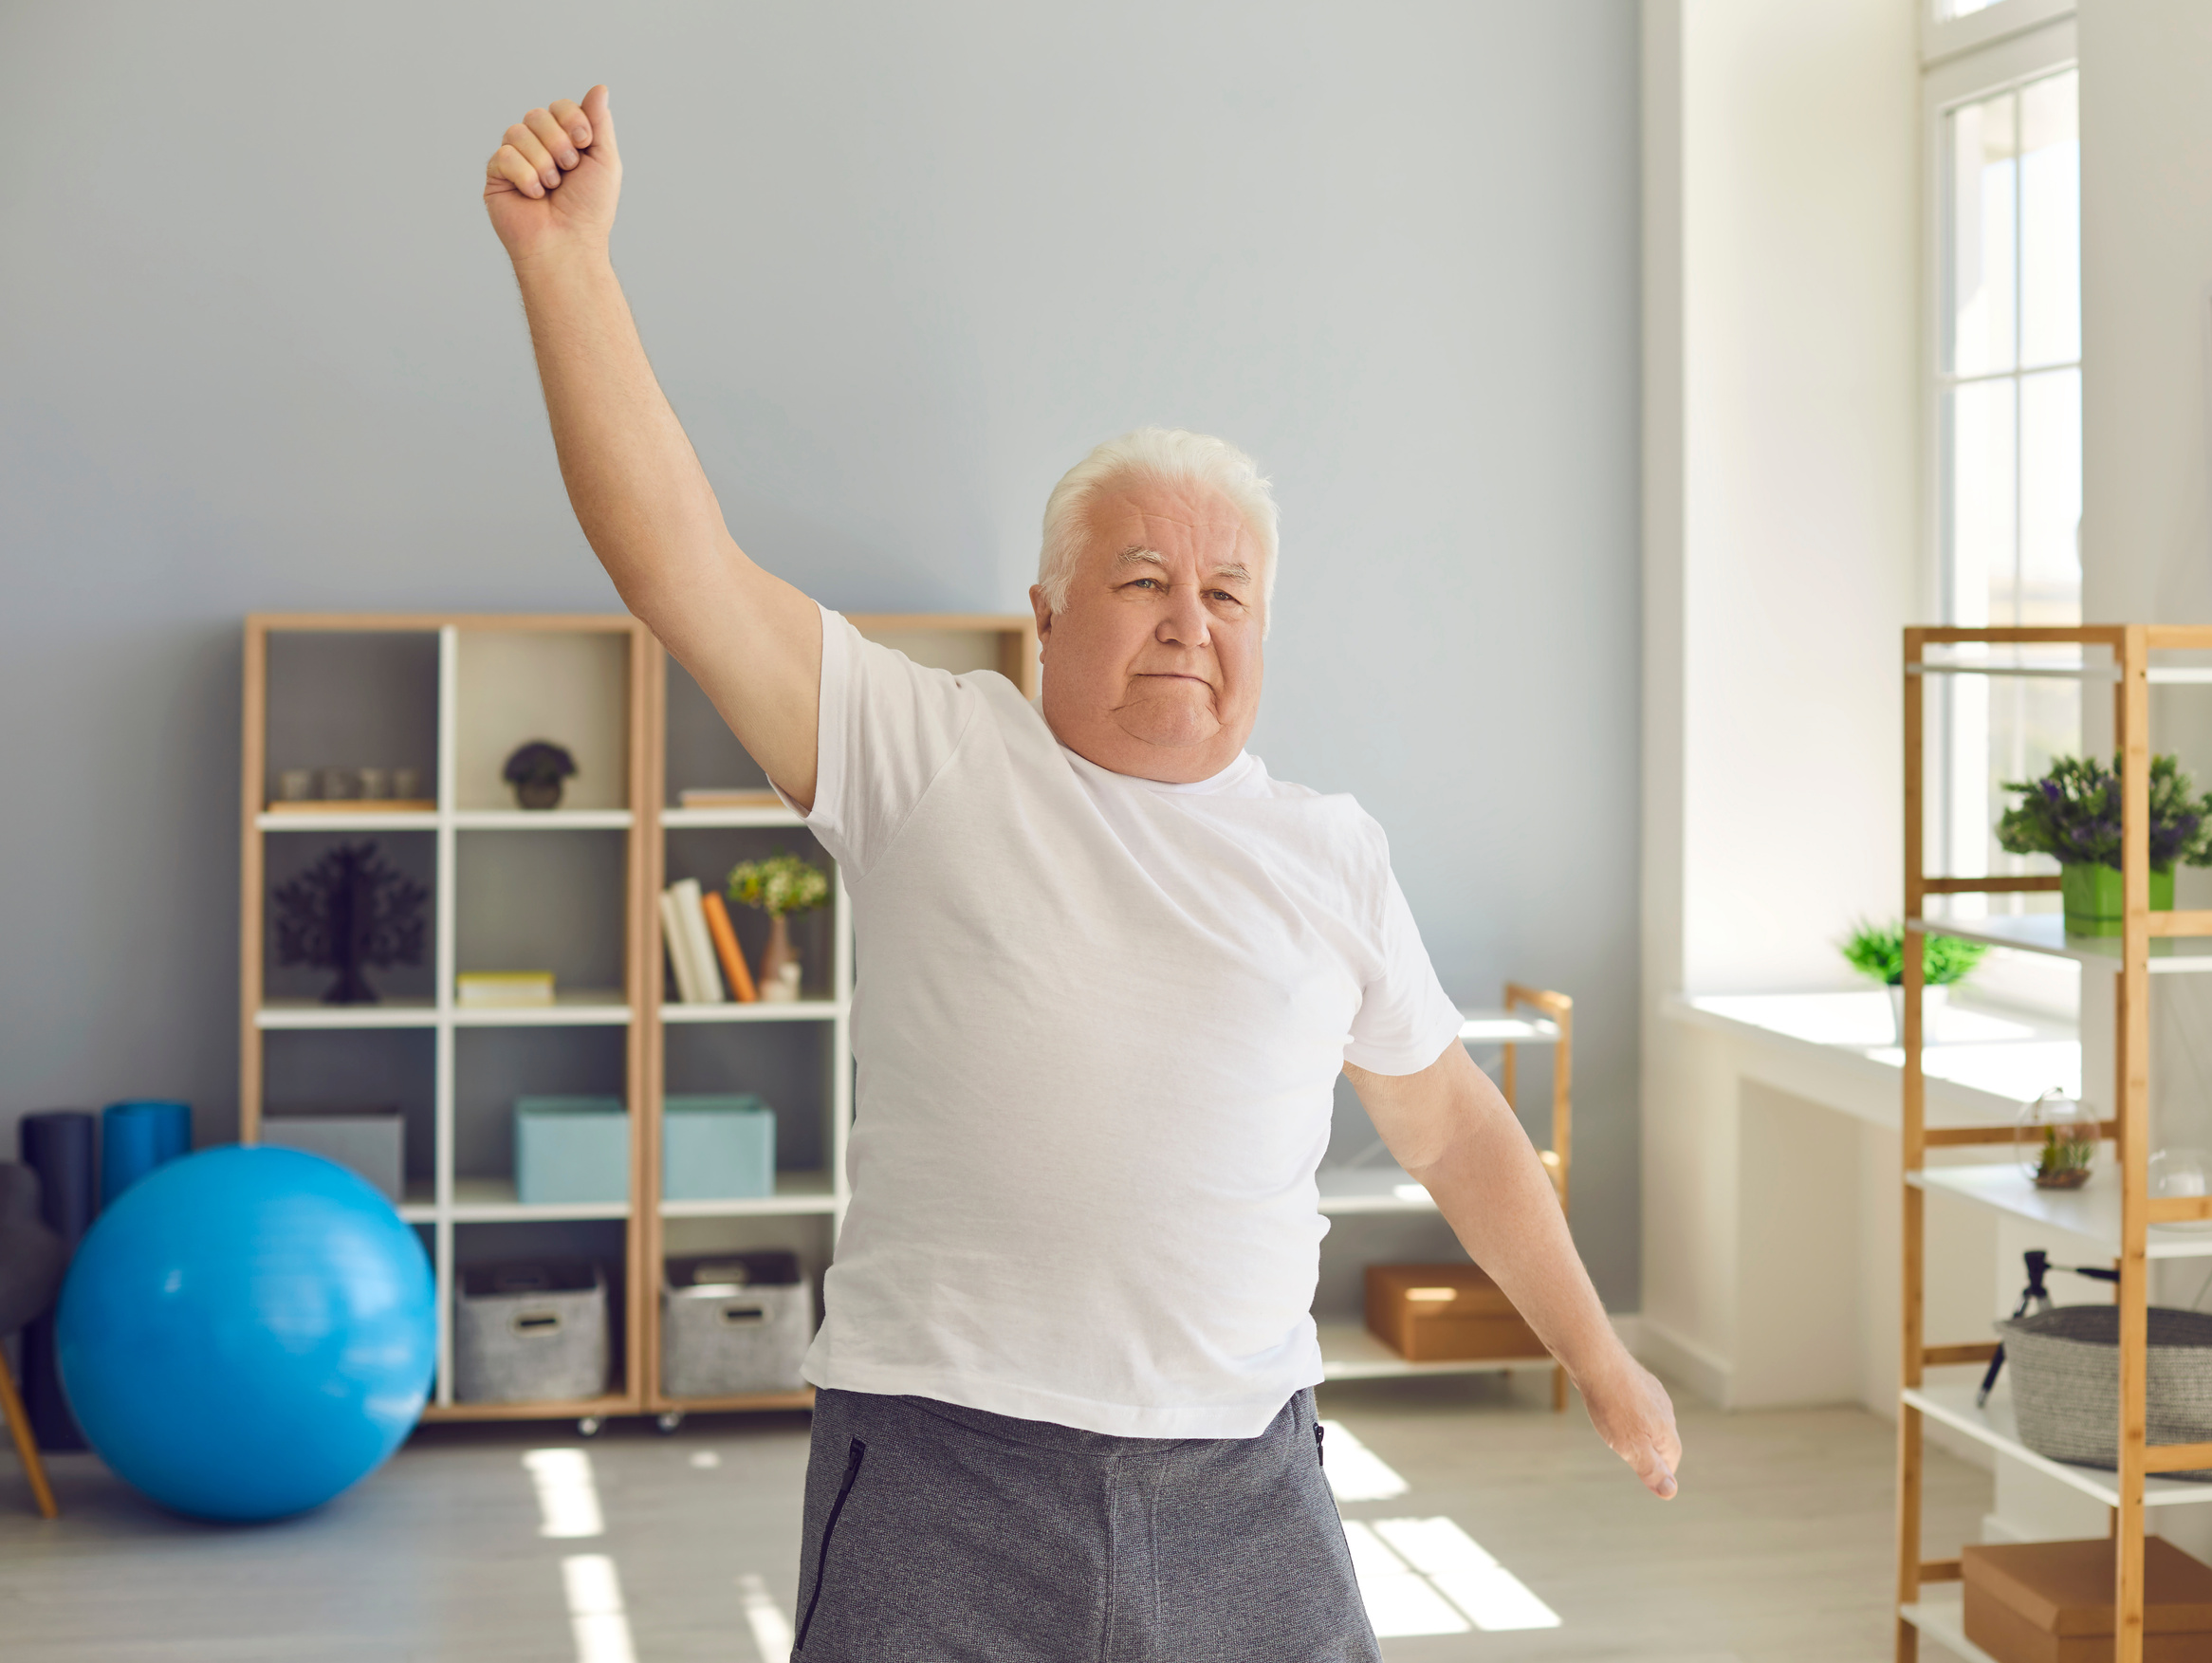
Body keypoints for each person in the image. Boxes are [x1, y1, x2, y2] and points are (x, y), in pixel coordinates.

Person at [483, 84, 1680, 1663]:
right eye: (1140, 577)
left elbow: (1454, 1126)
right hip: (938, 1468)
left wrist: (1598, 1353)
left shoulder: (1326, 853)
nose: (1190, 615)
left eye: (1227, 589)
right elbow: (677, 562)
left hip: (1248, 1479)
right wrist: (565, 262)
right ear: (1044, 616)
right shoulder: (926, 754)